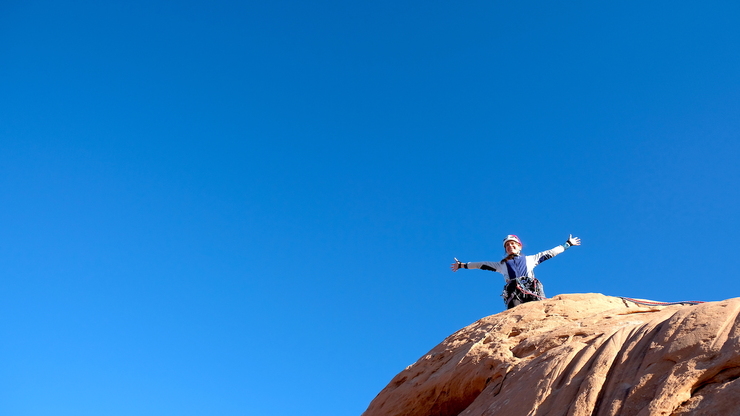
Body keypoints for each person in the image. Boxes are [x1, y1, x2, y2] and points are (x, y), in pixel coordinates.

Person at [451, 234, 581, 309]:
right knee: (515, 315)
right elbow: (480, 265)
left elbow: (550, 253)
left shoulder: (531, 259)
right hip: (514, 291)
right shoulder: (501, 265)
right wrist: (462, 265)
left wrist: (567, 244)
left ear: (519, 246)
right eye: (507, 245)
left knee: (537, 311)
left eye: (513, 244)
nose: (510, 246)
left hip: (531, 288)